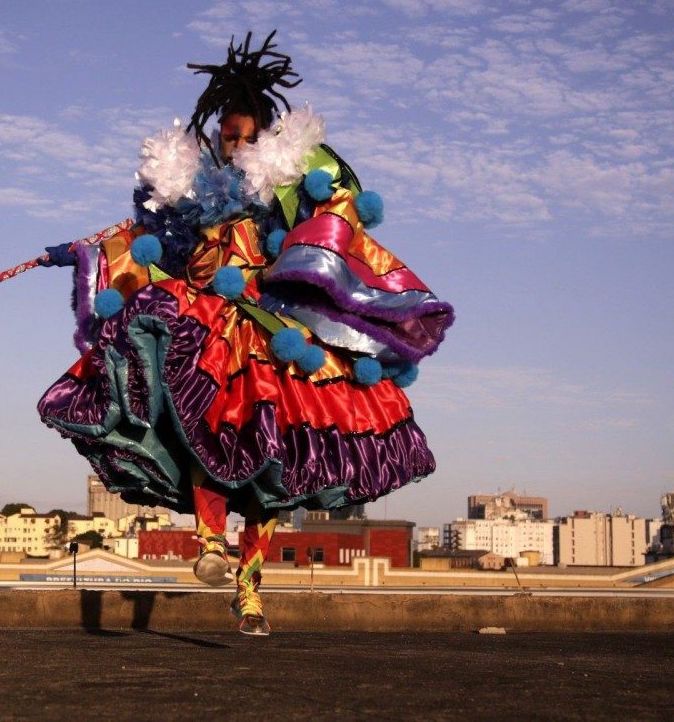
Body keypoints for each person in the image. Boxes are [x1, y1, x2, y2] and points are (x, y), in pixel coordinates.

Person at [38, 32, 453, 635]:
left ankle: (250, 590)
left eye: (245, 136)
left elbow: (331, 227)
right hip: (206, 325)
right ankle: (209, 541)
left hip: (269, 331)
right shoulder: (190, 196)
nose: (235, 145)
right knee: (205, 425)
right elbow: (138, 239)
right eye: (227, 136)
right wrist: (64, 254)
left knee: (268, 466)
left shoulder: (279, 193)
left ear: (264, 137)